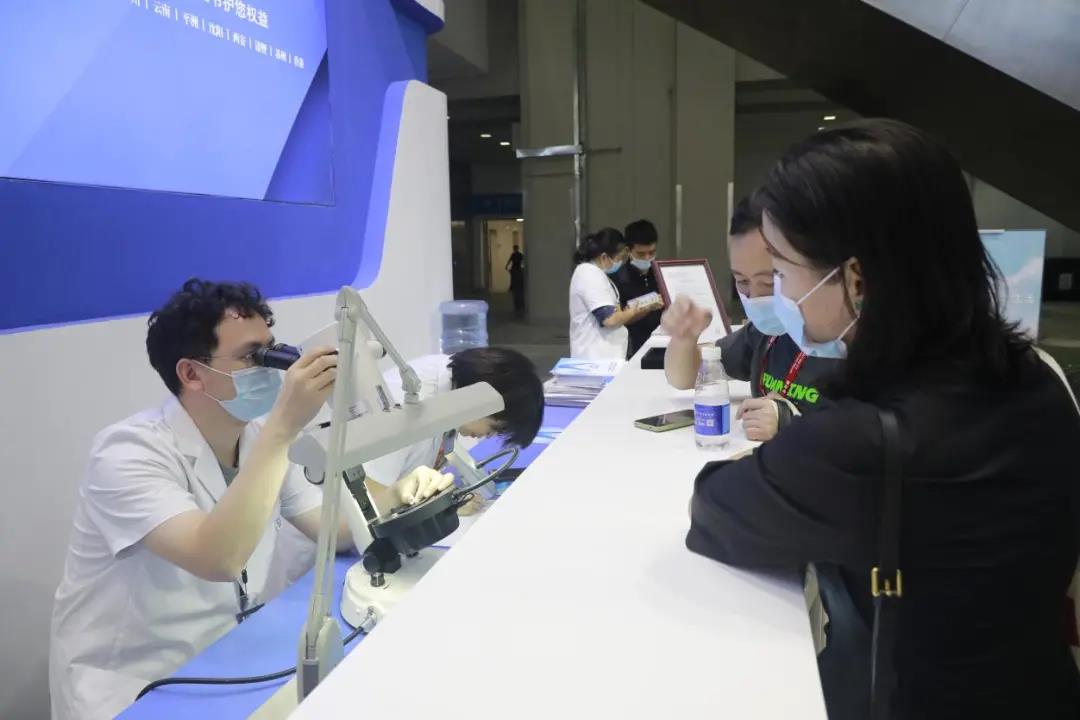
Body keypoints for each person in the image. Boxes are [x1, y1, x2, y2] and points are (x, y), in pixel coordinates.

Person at [686, 120, 1080, 718]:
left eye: (783, 273)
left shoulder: (858, 445)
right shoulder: (1042, 380)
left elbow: (716, 510)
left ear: (856, 278)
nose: (778, 296)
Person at [51, 280, 355, 720]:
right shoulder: (125, 452)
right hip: (134, 685)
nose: (272, 369)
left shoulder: (257, 438)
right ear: (192, 374)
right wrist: (284, 427)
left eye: (272, 350)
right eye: (253, 357)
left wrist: (402, 495)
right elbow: (218, 558)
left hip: (223, 659)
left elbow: (335, 530)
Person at [663, 197, 839, 441]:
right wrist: (684, 338)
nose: (755, 297)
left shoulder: (846, 340)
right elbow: (687, 377)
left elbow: (877, 438)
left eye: (769, 283)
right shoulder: (768, 335)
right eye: (742, 281)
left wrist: (791, 422)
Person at [363, 347, 544, 511]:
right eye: (495, 428)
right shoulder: (403, 410)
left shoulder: (455, 380)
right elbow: (367, 506)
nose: (488, 436)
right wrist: (436, 508)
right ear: (482, 400)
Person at [568, 227, 661, 359]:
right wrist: (634, 309)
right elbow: (610, 319)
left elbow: (617, 313)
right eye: (619, 258)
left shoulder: (599, 275)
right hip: (594, 357)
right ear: (604, 257)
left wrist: (643, 308)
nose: (620, 263)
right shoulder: (589, 275)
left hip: (607, 355)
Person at [614, 219, 664, 359]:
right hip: (632, 350)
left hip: (664, 347)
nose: (647, 258)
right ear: (628, 251)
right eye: (641, 254)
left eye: (652, 252)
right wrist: (648, 307)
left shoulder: (663, 273)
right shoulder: (618, 278)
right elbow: (619, 319)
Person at [506, 245, 526, 317]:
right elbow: (510, 260)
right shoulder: (517, 255)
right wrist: (507, 265)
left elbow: (510, 261)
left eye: (515, 249)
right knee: (514, 279)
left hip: (516, 268)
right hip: (516, 268)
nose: (515, 250)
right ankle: (513, 286)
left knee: (514, 279)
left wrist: (507, 266)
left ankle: (513, 286)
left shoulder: (516, 255)